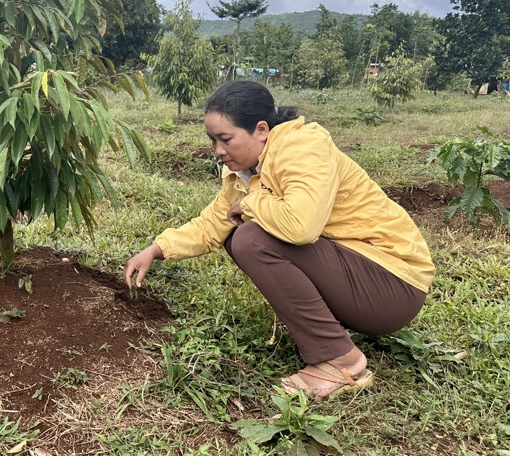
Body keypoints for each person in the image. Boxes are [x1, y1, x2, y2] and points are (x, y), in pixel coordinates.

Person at [124, 81, 435, 399]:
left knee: (251, 238)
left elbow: (301, 226)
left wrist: (248, 204)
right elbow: (213, 222)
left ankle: (345, 361)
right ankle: (330, 338)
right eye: (213, 140)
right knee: (239, 235)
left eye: (225, 138)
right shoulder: (246, 170)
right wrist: (157, 248)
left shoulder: (302, 148)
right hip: (365, 281)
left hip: (394, 286)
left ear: (261, 129)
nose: (218, 150)